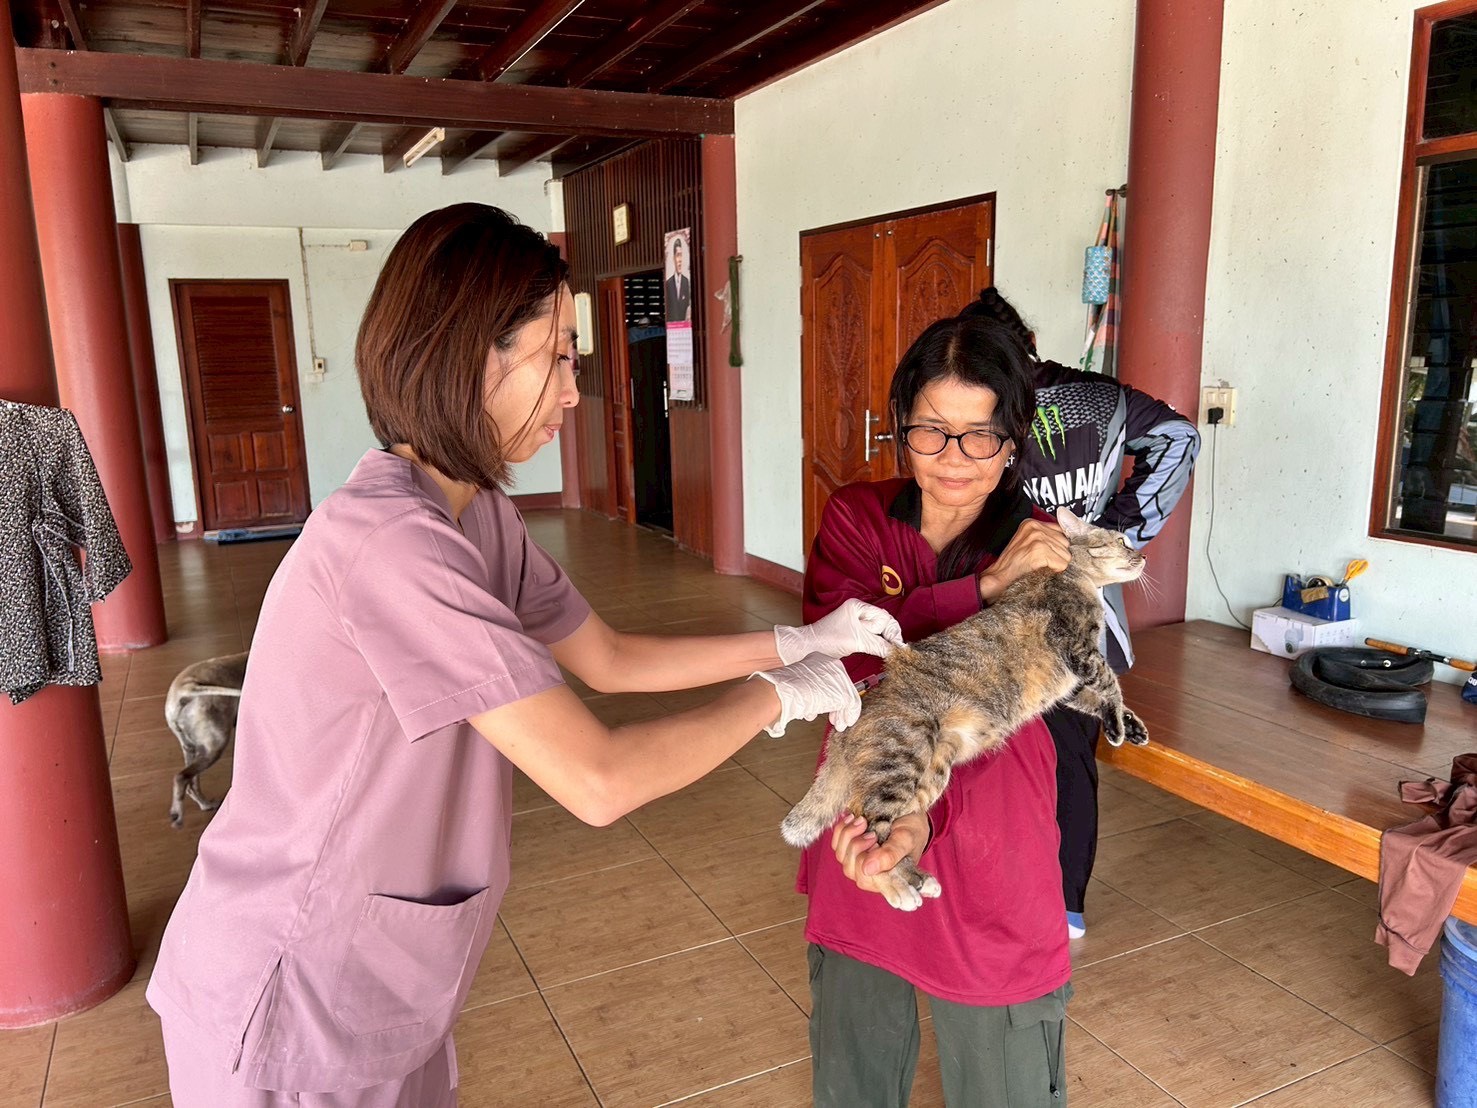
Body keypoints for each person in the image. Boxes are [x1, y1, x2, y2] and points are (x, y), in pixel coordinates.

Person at [145, 204, 901, 1107]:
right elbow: (598, 780)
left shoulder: (479, 516)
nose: (575, 394)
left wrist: (798, 639)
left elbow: (609, 657)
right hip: (293, 983)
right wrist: (777, 695)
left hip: (381, 975)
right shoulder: (391, 544)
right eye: (561, 358)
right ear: (471, 356)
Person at [801, 315, 1073, 1108]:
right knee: (853, 1065)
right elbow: (846, 667)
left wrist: (926, 814)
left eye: (980, 436)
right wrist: (982, 590)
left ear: (1013, 440)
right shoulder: (857, 517)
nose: (954, 459)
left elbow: (995, 693)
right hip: (870, 805)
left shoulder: (1041, 547)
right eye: (931, 431)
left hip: (992, 820)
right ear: (900, 426)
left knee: (1006, 1072)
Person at [959, 287, 1200, 938]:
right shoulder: (1099, 397)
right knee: (1068, 758)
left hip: (1001, 611)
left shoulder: (976, 408)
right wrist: (1113, 535)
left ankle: (1008, 892)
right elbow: (1178, 439)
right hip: (1078, 616)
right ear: (1031, 344)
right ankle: (1062, 903)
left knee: (994, 753)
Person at [664, 236, 692, 322]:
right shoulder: (668, 283)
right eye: (678, 255)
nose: (680, 260)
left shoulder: (686, 282)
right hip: (673, 327)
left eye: (682, 256)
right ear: (673, 258)